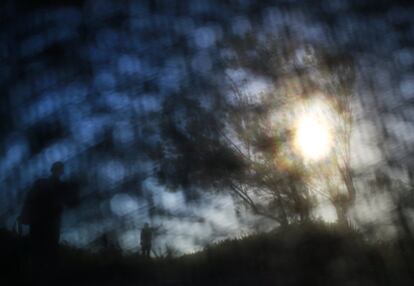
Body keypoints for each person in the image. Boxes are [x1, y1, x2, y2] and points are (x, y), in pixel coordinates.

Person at [19, 161, 78, 269]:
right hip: (41, 222)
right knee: (41, 251)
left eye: (59, 169)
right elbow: (30, 199)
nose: (58, 172)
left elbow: (72, 203)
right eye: (58, 169)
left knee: (45, 251)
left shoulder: (57, 185)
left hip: (49, 223)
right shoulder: (44, 184)